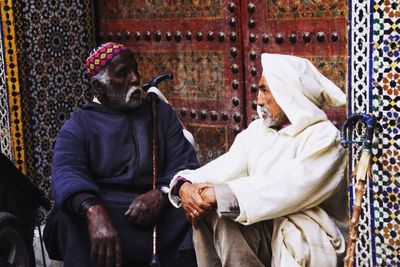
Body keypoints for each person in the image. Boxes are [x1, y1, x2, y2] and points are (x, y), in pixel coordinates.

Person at [169, 53, 348, 267]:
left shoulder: (324, 137)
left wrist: (222, 194)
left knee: (223, 204)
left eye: (265, 91)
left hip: (307, 235)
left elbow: (291, 186)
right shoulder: (258, 131)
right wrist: (185, 186)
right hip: (266, 228)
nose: (259, 100)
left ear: (289, 94)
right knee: (213, 212)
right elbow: (224, 167)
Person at [43, 42, 199, 267]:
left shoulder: (160, 114)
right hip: (108, 210)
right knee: (71, 216)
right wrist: (94, 211)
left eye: (135, 69)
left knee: (194, 208)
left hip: (156, 208)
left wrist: (163, 193)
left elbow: (184, 162)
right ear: (99, 87)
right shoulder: (79, 124)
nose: (135, 78)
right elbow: (66, 172)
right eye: (123, 73)